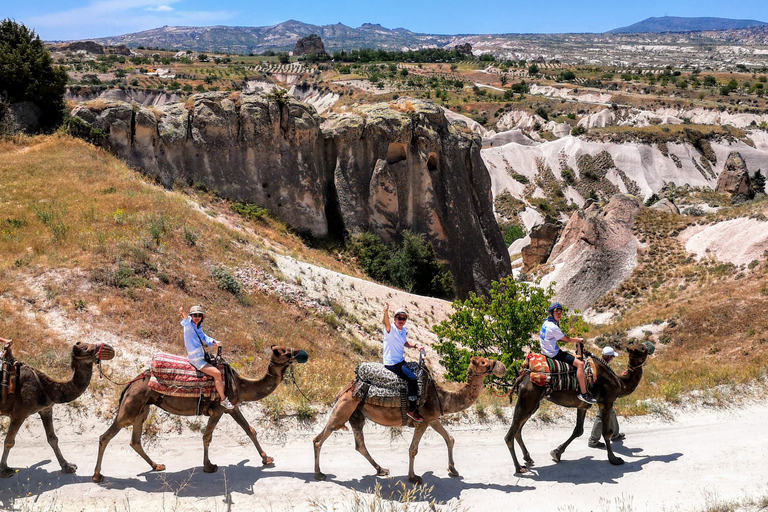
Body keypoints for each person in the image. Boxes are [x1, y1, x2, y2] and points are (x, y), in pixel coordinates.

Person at [539, 302, 597, 404]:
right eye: (556, 312)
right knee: (580, 364)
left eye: (560, 312)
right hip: (553, 353)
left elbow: (559, 339)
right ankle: (584, 393)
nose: (559, 314)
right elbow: (566, 339)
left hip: (545, 351)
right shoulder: (553, 327)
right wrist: (578, 339)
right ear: (551, 313)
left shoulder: (546, 323)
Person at [179, 304, 234, 410]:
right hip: (196, 358)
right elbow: (186, 318)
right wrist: (183, 312)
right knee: (217, 374)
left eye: (199, 315)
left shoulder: (198, 327)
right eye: (195, 315)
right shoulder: (189, 324)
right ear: (191, 316)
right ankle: (223, 399)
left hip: (200, 354)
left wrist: (214, 341)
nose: (197, 317)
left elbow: (204, 337)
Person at [382, 303, 425, 422]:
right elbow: (386, 323)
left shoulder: (403, 330)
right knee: (412, 378)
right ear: (394, 318)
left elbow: (405, 343)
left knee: (419, 370)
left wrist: (416, 345)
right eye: (399, 318)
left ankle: (413, 399)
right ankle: (411, 410)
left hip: (400, 360)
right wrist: (385, 312)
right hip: (392, 362)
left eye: (403, 318)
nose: (401, 320)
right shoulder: (391, 329)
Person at [588, 346, 625, 448]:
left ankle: (615, 434)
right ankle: (593, 440)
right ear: (608, 357)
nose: (612, 359)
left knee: (611, 412)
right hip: (602, 396)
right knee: (601, 416)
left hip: (602, 395)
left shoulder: (600, 364)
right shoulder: (603, 367)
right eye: (612, 357)